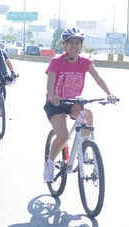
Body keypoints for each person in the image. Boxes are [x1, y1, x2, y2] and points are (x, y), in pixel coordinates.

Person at [43, 27, 117, 183]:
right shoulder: (57, 61)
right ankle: (49, 164)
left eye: (77, 43)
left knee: (87, 114)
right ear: (64, 45)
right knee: (63, 136)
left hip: (73, 102)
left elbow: (98, 78)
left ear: (81, 45)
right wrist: (52, 96)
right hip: (55, 103)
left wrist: (109, 93)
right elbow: (50, 83)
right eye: (70, 43)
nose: (74, 46)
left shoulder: (85, 62)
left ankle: (83, 148)